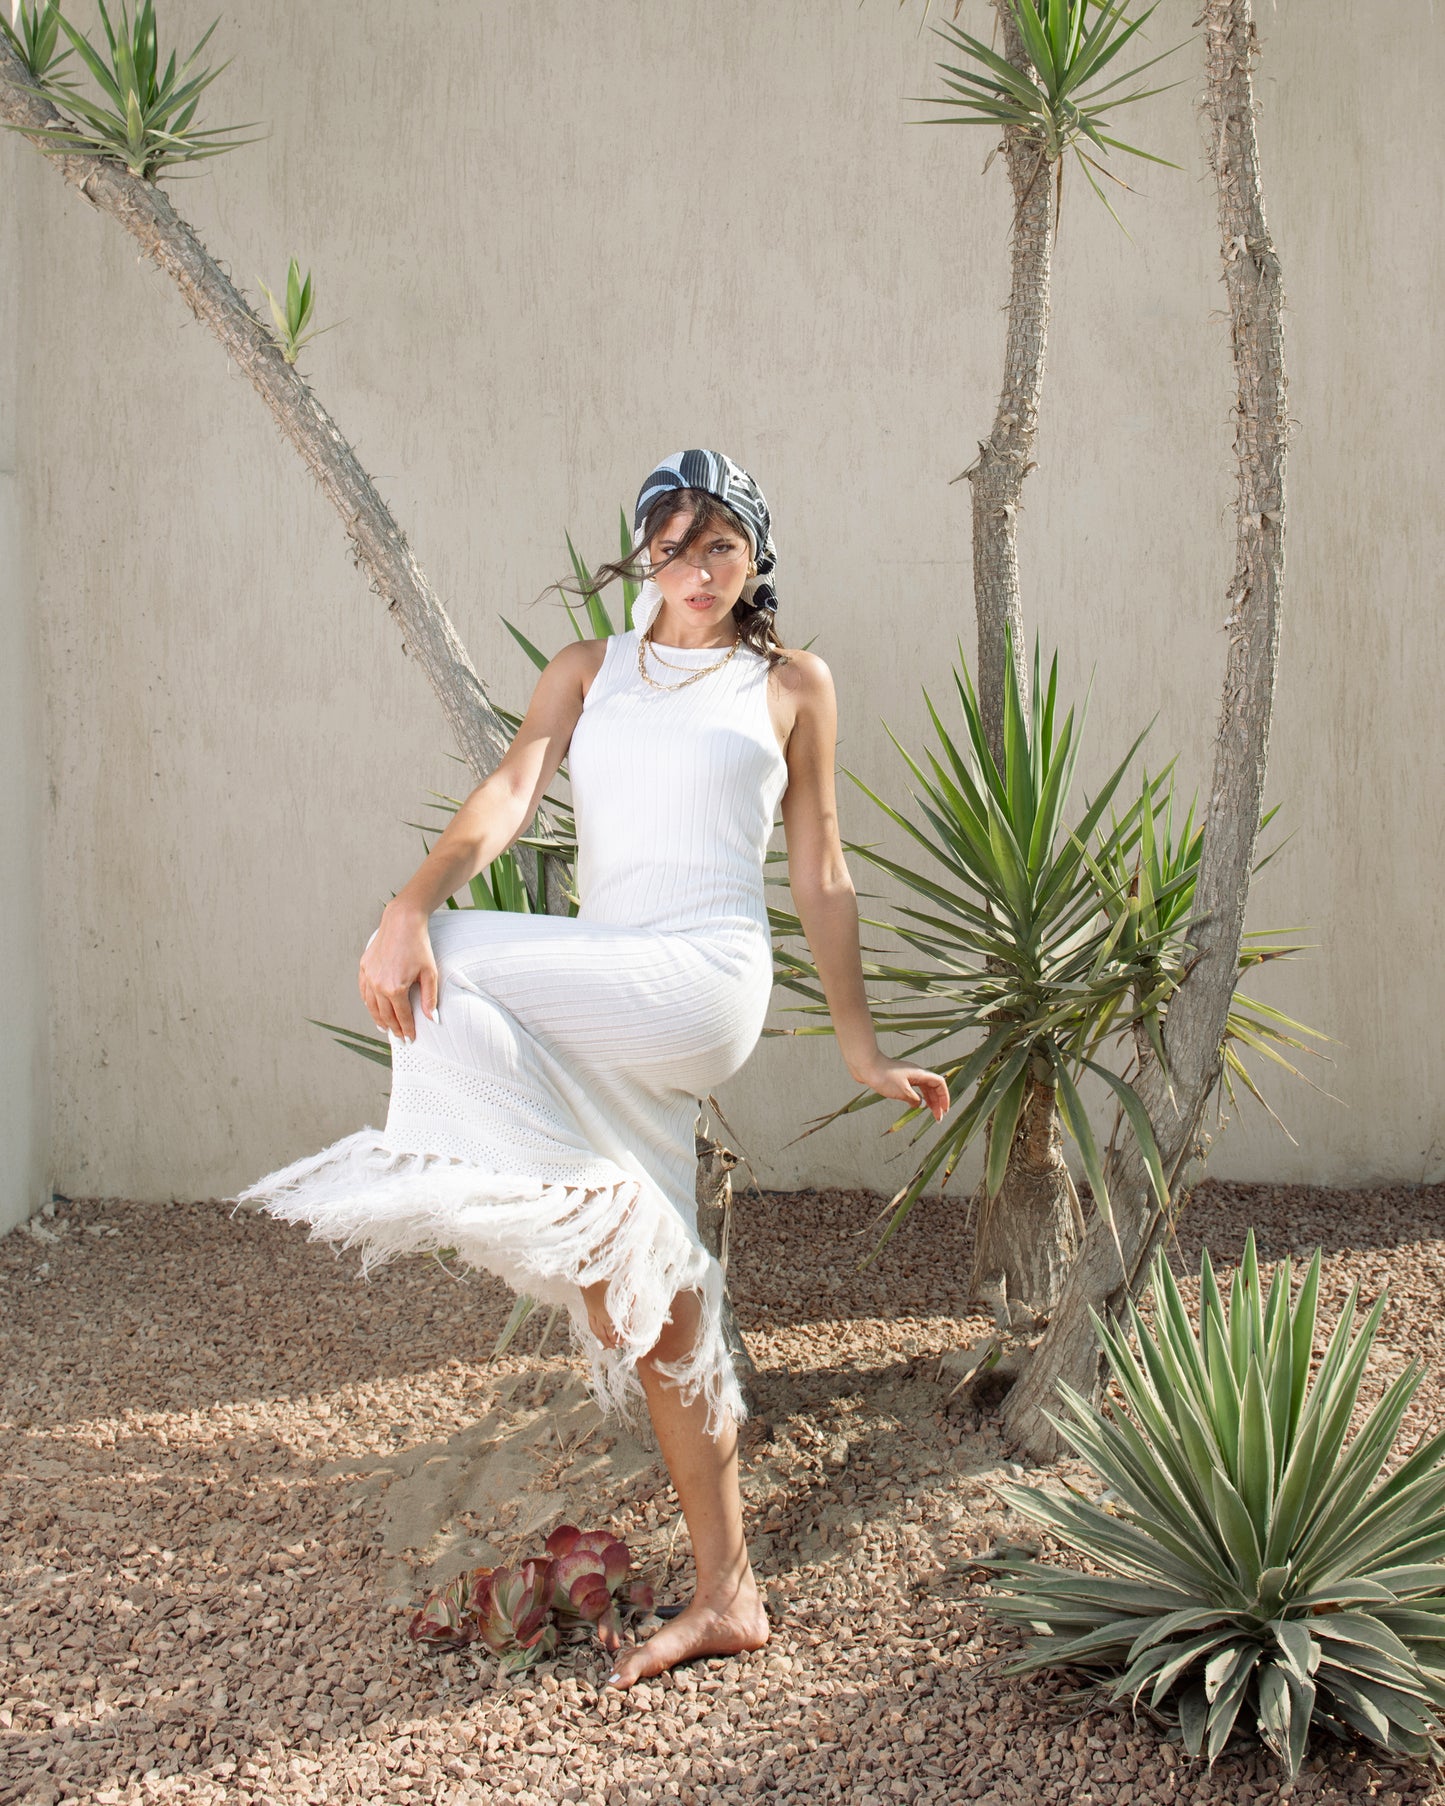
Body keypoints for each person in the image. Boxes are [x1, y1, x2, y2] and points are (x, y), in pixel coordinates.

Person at [236, 448, 950, 1689]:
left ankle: (582, 1212)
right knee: (666, 1309)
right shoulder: (589, 671)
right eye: (670, 545)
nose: (695, 569)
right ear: (641, 557)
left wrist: (859, 1045)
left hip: (700, 981)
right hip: (607, 1000)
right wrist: (409, 898)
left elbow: (820, 867)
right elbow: (512, 790)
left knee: (451, 955)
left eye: (719, 544)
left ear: (753, 557)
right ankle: (730, 1595)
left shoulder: (789, 684)